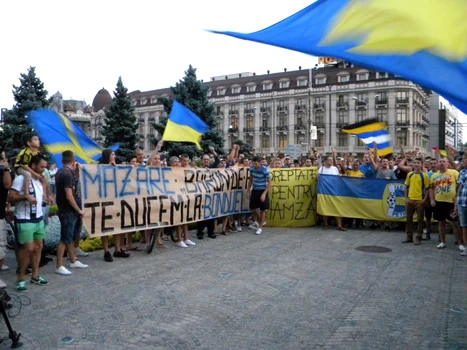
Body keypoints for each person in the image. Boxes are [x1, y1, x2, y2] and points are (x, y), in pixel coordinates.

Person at [9, 154, 49, 291]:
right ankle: (21, 278)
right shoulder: (21, 178)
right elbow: (11, 197)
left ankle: (35, 276)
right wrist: (25, 196)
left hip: (38, 218)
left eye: (45, 167)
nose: (44, 170)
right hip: (24, 218)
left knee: (38, 247)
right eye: (42, 167)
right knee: (28, 248)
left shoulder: (38, 179)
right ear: (33, 166)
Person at [55, 151, 89, 275]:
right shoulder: (66, 174)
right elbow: (69, 196)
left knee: (69, 238)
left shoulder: (63, 172)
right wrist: (78, 210)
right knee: (65, 238)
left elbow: (75, 185)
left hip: (67, 209)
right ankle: (59, 265)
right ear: (73, 159)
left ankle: (73, 260)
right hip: (68, 210)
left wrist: (77, 172)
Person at [99, 149, 130, 261]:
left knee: (117, 225)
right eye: (112, 154)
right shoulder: (100, 168)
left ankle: (117, 249)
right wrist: (108, 167)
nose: (115, 156)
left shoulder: (117, 167)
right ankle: (106, 251)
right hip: (104, 201)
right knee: (105, 227)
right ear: (107, 156)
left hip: (116, 200)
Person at [430, 158, 462, 249]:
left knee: (454, 223)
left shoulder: (454, 173)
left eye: (444, 161)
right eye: (440, 161)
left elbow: (460, 186)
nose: (442, 163)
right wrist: (432, 199)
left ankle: (460, 243)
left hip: (451, 202)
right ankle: (443, 242)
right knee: (441, 223)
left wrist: (457, 197)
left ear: (448, 163)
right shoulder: (434, 176)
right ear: (437, 164)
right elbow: (431, 188)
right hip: (439, 202)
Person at [14, 132, 50, 204]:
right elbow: (24, 165)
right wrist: (35, 174)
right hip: (20, 167)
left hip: (29, 167)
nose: (38, 141)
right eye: (36, 139)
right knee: (28, 175)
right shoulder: (26, 152)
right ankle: (27, 193)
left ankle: (44, 195)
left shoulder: (37, 152)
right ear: (29, 143)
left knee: (43, 177)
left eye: (38, 139)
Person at [403, 158, 430, 245]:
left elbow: (427, 189)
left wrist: (424, 200)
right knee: (408, 220)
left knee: (420, 220)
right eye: (415, 162)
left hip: (419, 201)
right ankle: (409, 236)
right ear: (413, 164)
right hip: (410, 200)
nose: (416, 164)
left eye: (418, 163)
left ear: (421, 164)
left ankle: (418, 237)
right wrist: (406, 198)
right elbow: (406, 186)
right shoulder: (410, 174)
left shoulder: (424, 175)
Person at [196, 147, 220, 239]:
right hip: (201, 194)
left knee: (211, 214)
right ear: (202, 161)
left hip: (211, 194)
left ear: (209, 161)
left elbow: (217, 160)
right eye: (204, 159)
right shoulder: (198, 169)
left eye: (207, 159)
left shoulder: (212, 168)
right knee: (201, 214)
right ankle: (200, 232)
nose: (206, 161)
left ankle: (211, 232)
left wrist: (213, 151)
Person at [247, 156, 272, 235]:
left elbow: (270, 183)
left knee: (262, 209)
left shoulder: (265, 170)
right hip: (255, 189)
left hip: (263, 190)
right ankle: (261, 220)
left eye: (256, 164)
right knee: (252, 208)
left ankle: (260, 227)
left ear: (260, 162)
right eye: (253, 164)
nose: (255, 165)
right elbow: (251, 179)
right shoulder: (251, 168)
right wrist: (248, 190)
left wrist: (264, 194)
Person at [0, 151, 12, 288]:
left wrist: (6, 168)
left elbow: (8, 185)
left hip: (0, 215)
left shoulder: (3, 172)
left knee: (1, 247)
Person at [455, 154, 467, 255]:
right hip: (462, 202)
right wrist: (456, 203)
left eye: (464, 159)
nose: (462, 161)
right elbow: (459, 188)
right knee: (464, 226)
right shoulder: (462, 172)